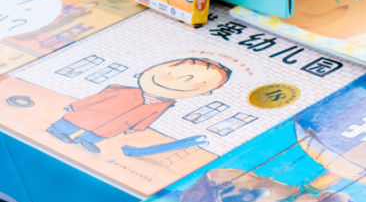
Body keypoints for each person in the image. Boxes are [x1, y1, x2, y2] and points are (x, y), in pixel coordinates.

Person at [46, 57, 232, 154]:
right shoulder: (122, 90)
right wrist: (76, 105)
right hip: (98, 111)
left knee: (105, 131)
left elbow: (150, 117)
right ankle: (58, 129)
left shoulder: (164, 104)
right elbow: (98, 97)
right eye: (170, 74)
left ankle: (86, 140)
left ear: (205, 92)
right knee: (79, 119)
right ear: (145, 71)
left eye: (198, 83)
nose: (182, 80)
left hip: (122, 122)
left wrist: (137, 127)